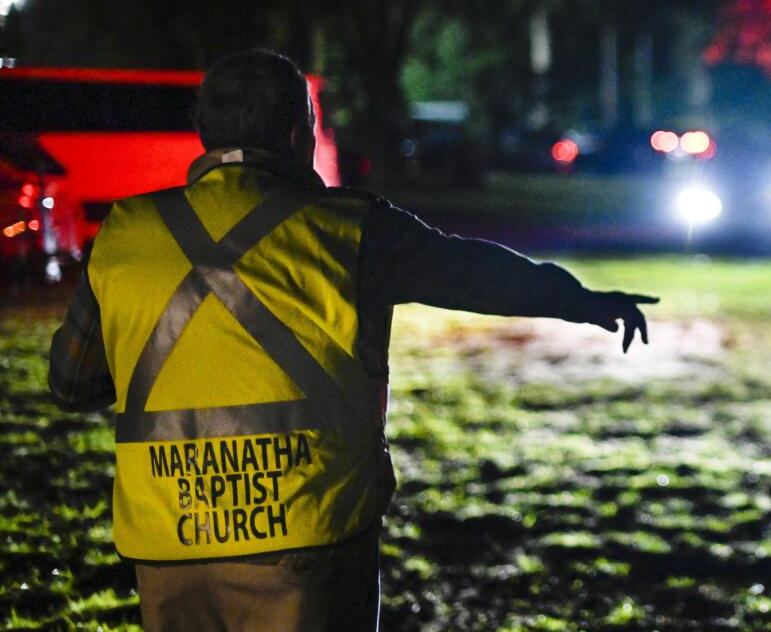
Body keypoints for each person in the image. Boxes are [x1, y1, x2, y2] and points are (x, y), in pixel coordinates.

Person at [47, 49, 656, 631]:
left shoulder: (124, 232)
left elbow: (72, 384)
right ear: (296, 135)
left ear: (205, 132)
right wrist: (582, 301)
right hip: (309, 535)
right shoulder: (351, 229)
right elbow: (477, 275)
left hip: (164, 543)